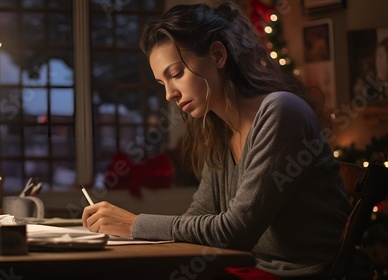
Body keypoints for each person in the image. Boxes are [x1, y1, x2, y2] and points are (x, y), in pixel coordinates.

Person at [82, 2, 360, 278]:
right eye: (162, 83)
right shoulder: (219, 127)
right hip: (251, 269)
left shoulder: (281, 111)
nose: (170, 94)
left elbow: (235, 232)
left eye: (176, 74)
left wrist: (133, 224)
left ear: (217, 55)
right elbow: (199, 216)